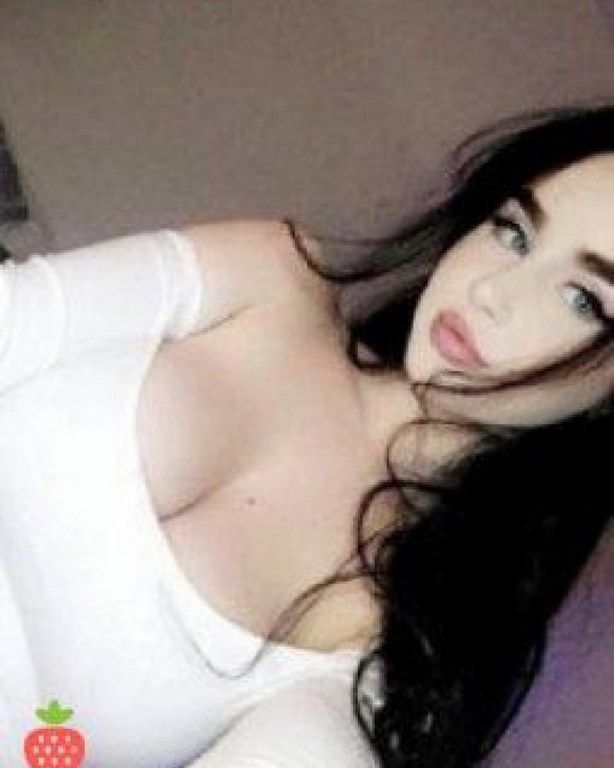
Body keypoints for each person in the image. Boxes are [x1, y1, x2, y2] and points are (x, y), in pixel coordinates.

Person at [1, 102, 613, 768]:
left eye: (582, 299)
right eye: (514, 231)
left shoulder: (380, 656)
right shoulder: (271, 277)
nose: (495, 291)